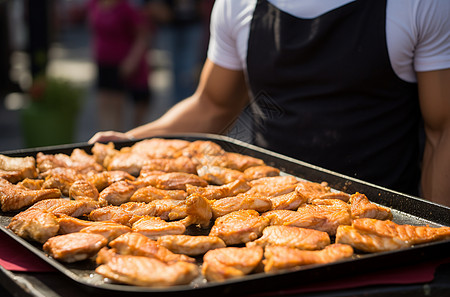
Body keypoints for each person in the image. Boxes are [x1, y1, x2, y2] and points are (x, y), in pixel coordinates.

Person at [89, 0, 450, 207]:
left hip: (380, 216)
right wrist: (131, 141)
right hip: (263, 210)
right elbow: (212, 105)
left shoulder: (419, 5)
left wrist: (440, 235)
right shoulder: (238, 3)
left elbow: (443, 132)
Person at [87, 0, 152, 132]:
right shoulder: (94, 4)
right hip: (103, 63)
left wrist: (132, 61)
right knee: (104, 105)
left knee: (119, 107)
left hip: (123, 64)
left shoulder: (126, 7)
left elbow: (142, 35)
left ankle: (118, 142)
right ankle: (105, 141)